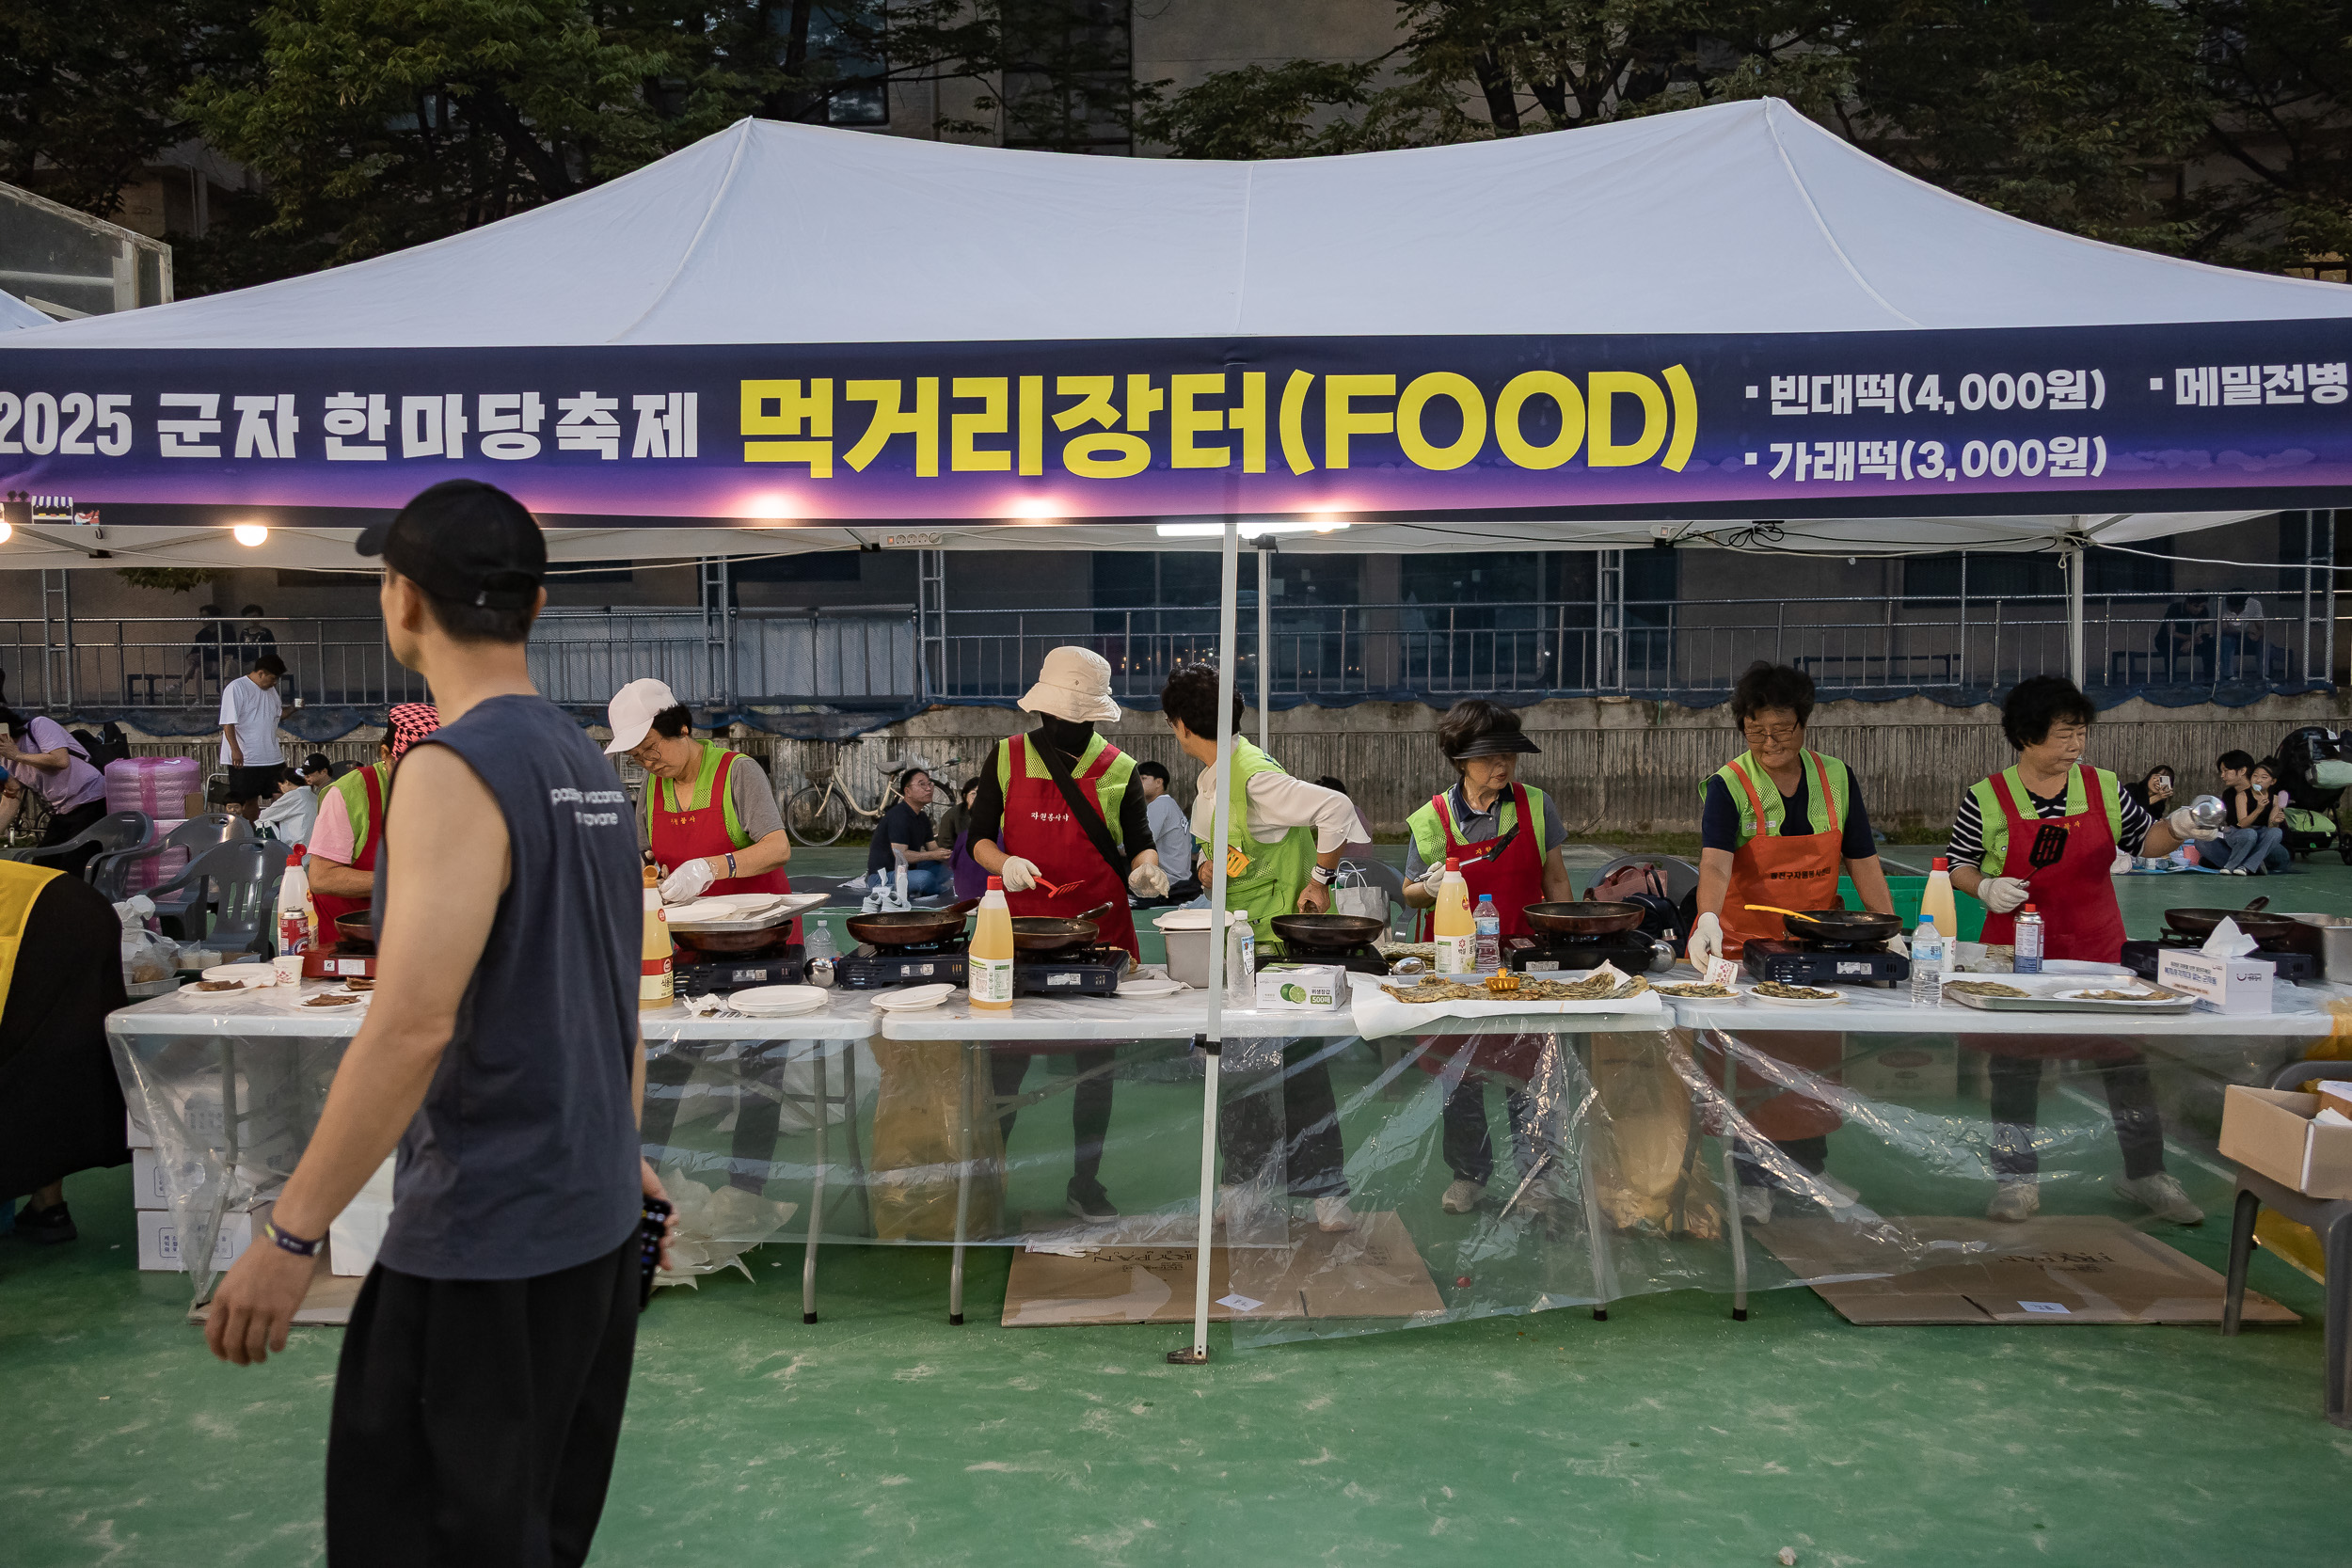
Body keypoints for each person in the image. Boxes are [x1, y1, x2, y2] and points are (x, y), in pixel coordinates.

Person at [203, 478, 672, 1566]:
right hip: (591, 1229)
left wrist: (289, 1234)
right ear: (539, 606)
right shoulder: (582, 767)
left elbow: (411, 1025)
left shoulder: (452, 769)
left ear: (401, 602)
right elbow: (621, 995)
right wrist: (623, 1149)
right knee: (536, 1533)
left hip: (483, 1245)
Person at [1947, 674, 2217, 1224]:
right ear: (2025, 737)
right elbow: (1958, 864)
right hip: (2016, 950)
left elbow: (2147, 841)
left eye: (2081, 734)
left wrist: (2182, 826)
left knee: (2124, 1061)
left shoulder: (2103, 787)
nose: (2076, 746)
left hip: (2096, 946)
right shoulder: (1987, 797)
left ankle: (2147, 1175)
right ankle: (2016, 1180)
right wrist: (1985, 888)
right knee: (2014, 1065)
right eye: (2063, 735)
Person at [1684, 663, 1899, 1225]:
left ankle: (1809, 1169)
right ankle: (1749, 1177)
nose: (1770, 742)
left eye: (1782, 728)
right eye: (1756, 730)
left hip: (1819, 947)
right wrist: (1706, 917)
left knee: (1812, 1064)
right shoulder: (1728, 784)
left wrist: (1889, 930)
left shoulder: (1836, 778)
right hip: (1747, 949)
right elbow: (1715, 860)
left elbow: (1864, 862)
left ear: (1804, 724)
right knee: (1751, 1066)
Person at [968, 647, 1168, 1223]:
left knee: (1093, 1069)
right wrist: (1001, 863)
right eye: (1062, 717)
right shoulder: (1005, 757)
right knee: (1005, 1064)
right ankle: (991, 1183)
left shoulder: (1121, 769)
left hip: (1096, 931)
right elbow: (979, 837)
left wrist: (1145, 869)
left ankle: (1086, 1181)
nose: (1068, 729)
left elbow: (1137, 843)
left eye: (1079, 720)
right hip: (1021, 932)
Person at [1160, 660, 1360, 1232]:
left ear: (1178, 725)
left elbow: (1336, 809)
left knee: (1302, 1070)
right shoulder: (1214, 777)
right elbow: (1232, 844)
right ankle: (1243, 1190)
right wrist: (1206, 866)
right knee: (1239, 1071)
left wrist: (1319, 879)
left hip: (1282, 946)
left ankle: (1326, 1195)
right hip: (1241, 947)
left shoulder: (1252, 776)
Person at [1398, 699, 1576, 1216]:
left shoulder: (1536, 806)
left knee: (1531, 1073)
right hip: (1456, 968)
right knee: (1461, 1079)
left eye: (1510, 756)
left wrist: (1561, 935)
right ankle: (1469, 1174)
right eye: (1490, 757)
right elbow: (1409, 892)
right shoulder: (1432, 818)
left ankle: (1537, 1179)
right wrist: (1427, 889)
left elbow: (1556, 878)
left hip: (1523, 965)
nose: (1502, 767)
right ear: (1460, 759)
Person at [0, 857, 130, 1243]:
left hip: (39, 922)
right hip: (76, 904)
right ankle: (47, 1207)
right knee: (48, 1060)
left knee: (23, 1062)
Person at [605, 679, 795, 933]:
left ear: (682, 729)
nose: (648, 763)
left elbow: (777, 849)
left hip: (760, 934)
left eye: (651, 749)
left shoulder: (736, 771)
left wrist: (708, 868)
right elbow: (645, 858)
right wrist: (653, 877)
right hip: (694, 936)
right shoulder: (652, 785)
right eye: (636, 757)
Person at [308, 705, 441, 933]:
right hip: (350, 934)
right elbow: (322, 878)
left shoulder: (454, 790)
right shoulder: (350, 792)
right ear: (385, 754)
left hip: (416, 928)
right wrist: (406, 882)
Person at [0, 704, 108, 849]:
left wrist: (18, 755)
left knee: (74, 862)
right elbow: (11, 799)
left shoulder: (39, 726)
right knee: (44, 864)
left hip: (91, 798)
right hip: (62, 811)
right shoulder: (5, 758)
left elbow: (60, 760)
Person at [862, 767, 952, 906]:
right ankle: (931, 889)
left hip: (908, 870)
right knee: (924, 878)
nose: (929, 789)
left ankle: (923, 889)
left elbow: (933, 848)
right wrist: (934, 855)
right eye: (922, 784)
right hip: (885, 876)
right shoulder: (899, 816)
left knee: (948, 870)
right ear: (907, 791)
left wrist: (952, 857)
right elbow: (902, 856)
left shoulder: (922, 817)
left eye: (929, 784)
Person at [218, 650, 288, 816]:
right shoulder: (236, 688)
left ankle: (276, 834)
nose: (274, 683)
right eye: (273, 678)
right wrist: (235, 750)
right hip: (246, 758)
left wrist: (294, 708)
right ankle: (251, 835)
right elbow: (228, 723)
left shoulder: (272, 692)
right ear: (261, 673)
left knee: (283, 796)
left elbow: (277, 715)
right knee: (248, 800)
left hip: (272, 756)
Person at [1134, 759, 1201, 903]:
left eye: (1144, 778)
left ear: (1159, 782)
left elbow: (1139, 844)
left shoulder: (1160, 804)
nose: (1139, 783)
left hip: (1169, 884)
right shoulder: (1170, 804)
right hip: (1182, 880)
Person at [2213, 750, 2283, 876]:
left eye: (2226, 771)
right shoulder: (2232, 795)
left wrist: (2275, 821)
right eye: (2256, 776)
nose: (2222, 776)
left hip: (2266, 843)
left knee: (2278, 844)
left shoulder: (2273, 797)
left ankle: (2243, 864)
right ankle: (2251, 865)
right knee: (2203, 842)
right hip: (2242, 838)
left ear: (2242, 771)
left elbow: (2272, 828)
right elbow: (2239, 825)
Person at [938, 776, 990, 901]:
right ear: (965, 796)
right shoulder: (952, 815)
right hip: (959, 865)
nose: (978, 797)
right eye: (973, 793)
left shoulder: (994, 814)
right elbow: (945, 846)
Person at [255, 765, 320, 847]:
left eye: (280, 786)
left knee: (262, 823)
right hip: (311, 846)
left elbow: (264, 816)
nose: (281, 790)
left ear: (286, 782)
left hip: (296, 847)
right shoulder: (313, 796)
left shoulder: (294, 795)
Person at [2153, 595, 2210, 681]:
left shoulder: (2204, 611)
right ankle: (2171, 681)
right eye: (2195, 606)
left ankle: (2210, 681)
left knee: (2210, 642)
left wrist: (2191, 641)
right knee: (2172, 643)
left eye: (2202, 606)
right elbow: (2171, 633)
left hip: (2188, 641)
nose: (2198, 609)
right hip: (2165, 641)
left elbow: (2206, 632)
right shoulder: (2175, 608)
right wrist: (2191, 639)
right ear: (2187, 603)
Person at [185, 604, 228, 691]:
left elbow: (226, 651)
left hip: (222, 664)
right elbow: (195, 650)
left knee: (198, 665)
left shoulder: (226, 631)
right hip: (205, 664)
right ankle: (199, 700)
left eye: (206, 616)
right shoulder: (202, 634)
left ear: (214, 617)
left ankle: (179, 684)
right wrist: (191, 656)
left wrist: (203, 656)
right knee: (198, 669)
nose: (203, 619)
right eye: (201, 616)